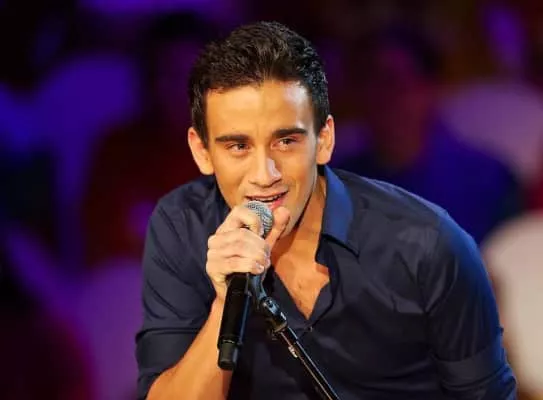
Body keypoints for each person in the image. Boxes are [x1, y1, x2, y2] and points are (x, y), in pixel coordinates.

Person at [135, 21, 517, 399]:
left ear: (324, 140)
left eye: (286, 141)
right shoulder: (182, 226)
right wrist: (224, 303)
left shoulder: (429, 243)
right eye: (238, 147)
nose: (264, 175)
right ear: (201, 151)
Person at [334, 24, 523, 244]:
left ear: (431, 88)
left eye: (396, 82)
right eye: (368, 82)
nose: (383, 97)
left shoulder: (489, 181)